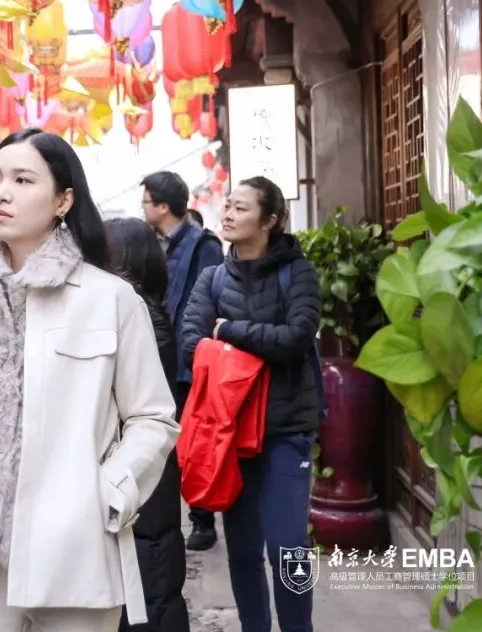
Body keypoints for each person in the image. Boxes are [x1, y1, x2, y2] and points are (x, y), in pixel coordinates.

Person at [0, 129, 180, 632]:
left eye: (22, 180)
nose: (2, 192)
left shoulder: (110, 299)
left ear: (64, 201)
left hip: (75, 546)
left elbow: (152, 418)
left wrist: (108, 492)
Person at [180, 176, 321, 632]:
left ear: (270, 220)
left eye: (241, 208)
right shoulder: (213, 278)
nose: (228, 213)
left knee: (288, 547)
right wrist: (255, 345)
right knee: (242, 550)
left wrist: (229, 332)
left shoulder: (297, 272)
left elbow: (297, 336)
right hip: (231, 431)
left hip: (286, 428)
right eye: (228, 205)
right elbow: (191, 344)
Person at [105, 217, 189, 632]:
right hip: (146, 471)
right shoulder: (148, 312)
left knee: (148, 582)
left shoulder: (139, 318)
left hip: (141, 473)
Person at [141, 170, 223, 551]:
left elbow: (207, 301)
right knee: (169, 441)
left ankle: (203, 521)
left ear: (163, 206)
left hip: (191, 357)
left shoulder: (203, 244)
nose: (143, 208)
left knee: (195, 440)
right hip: (163, 354)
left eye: (147, 201)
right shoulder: (157, 243)